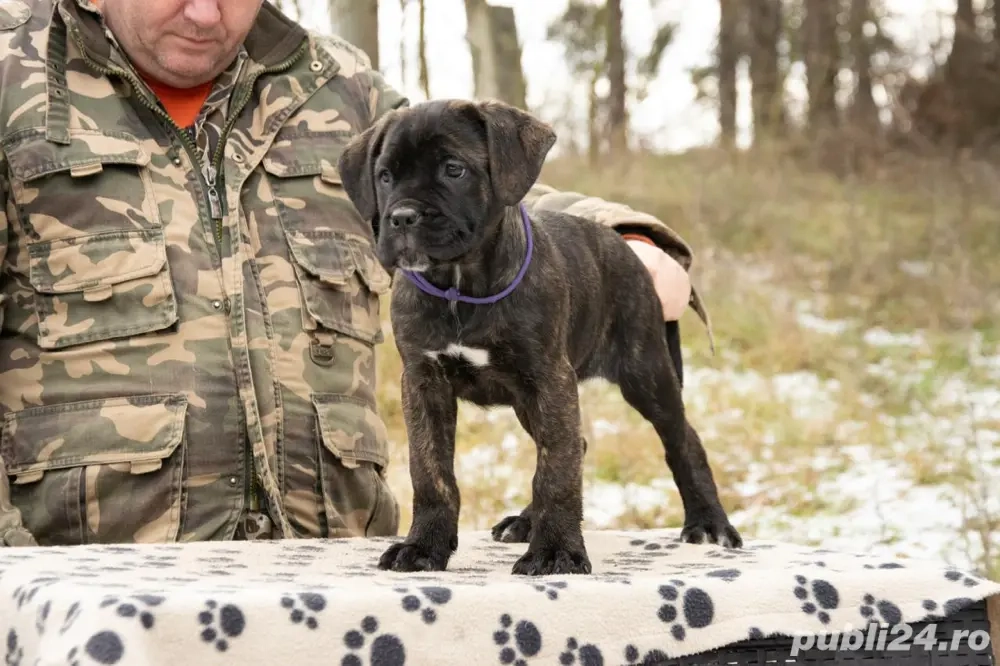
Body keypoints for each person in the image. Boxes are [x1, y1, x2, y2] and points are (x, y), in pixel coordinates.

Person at [0, 0, 711, 547]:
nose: (206, 14)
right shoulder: (13, 73)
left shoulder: (333, 85)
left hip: (337, 576)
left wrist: (627, 234)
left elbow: (473, 180)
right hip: (90, 582)